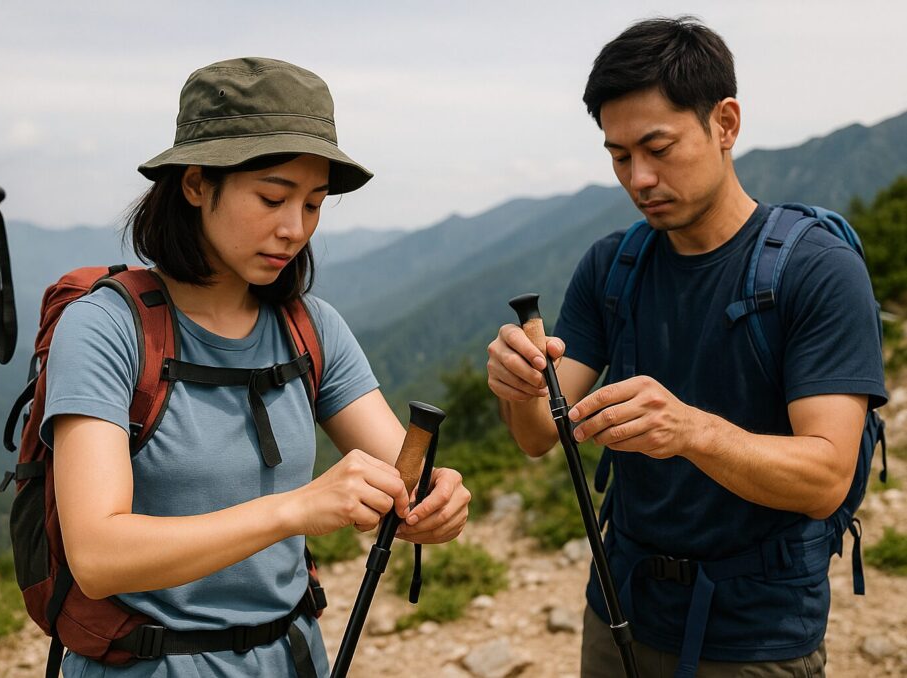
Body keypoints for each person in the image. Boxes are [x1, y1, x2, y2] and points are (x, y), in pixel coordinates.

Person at [44, 57, 471, 677]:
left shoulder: (310, 328)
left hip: (293, 659)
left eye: (315, 204)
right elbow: (98, 555)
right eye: (272, 197)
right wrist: (295, 509)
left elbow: (405, 476)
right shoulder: (107, 329)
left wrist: (436, 503)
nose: (294, 229)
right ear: (195, 184)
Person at [486, 17, 886, 677]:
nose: (638, 177)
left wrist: (690, 432)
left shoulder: (814, 270)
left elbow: (824, 478)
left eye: (657, 147)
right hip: (617, 609)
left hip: (754, 634)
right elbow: (536, 437)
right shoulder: (611, 266)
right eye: (618, 156)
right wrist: (520, 386)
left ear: (724, 124)